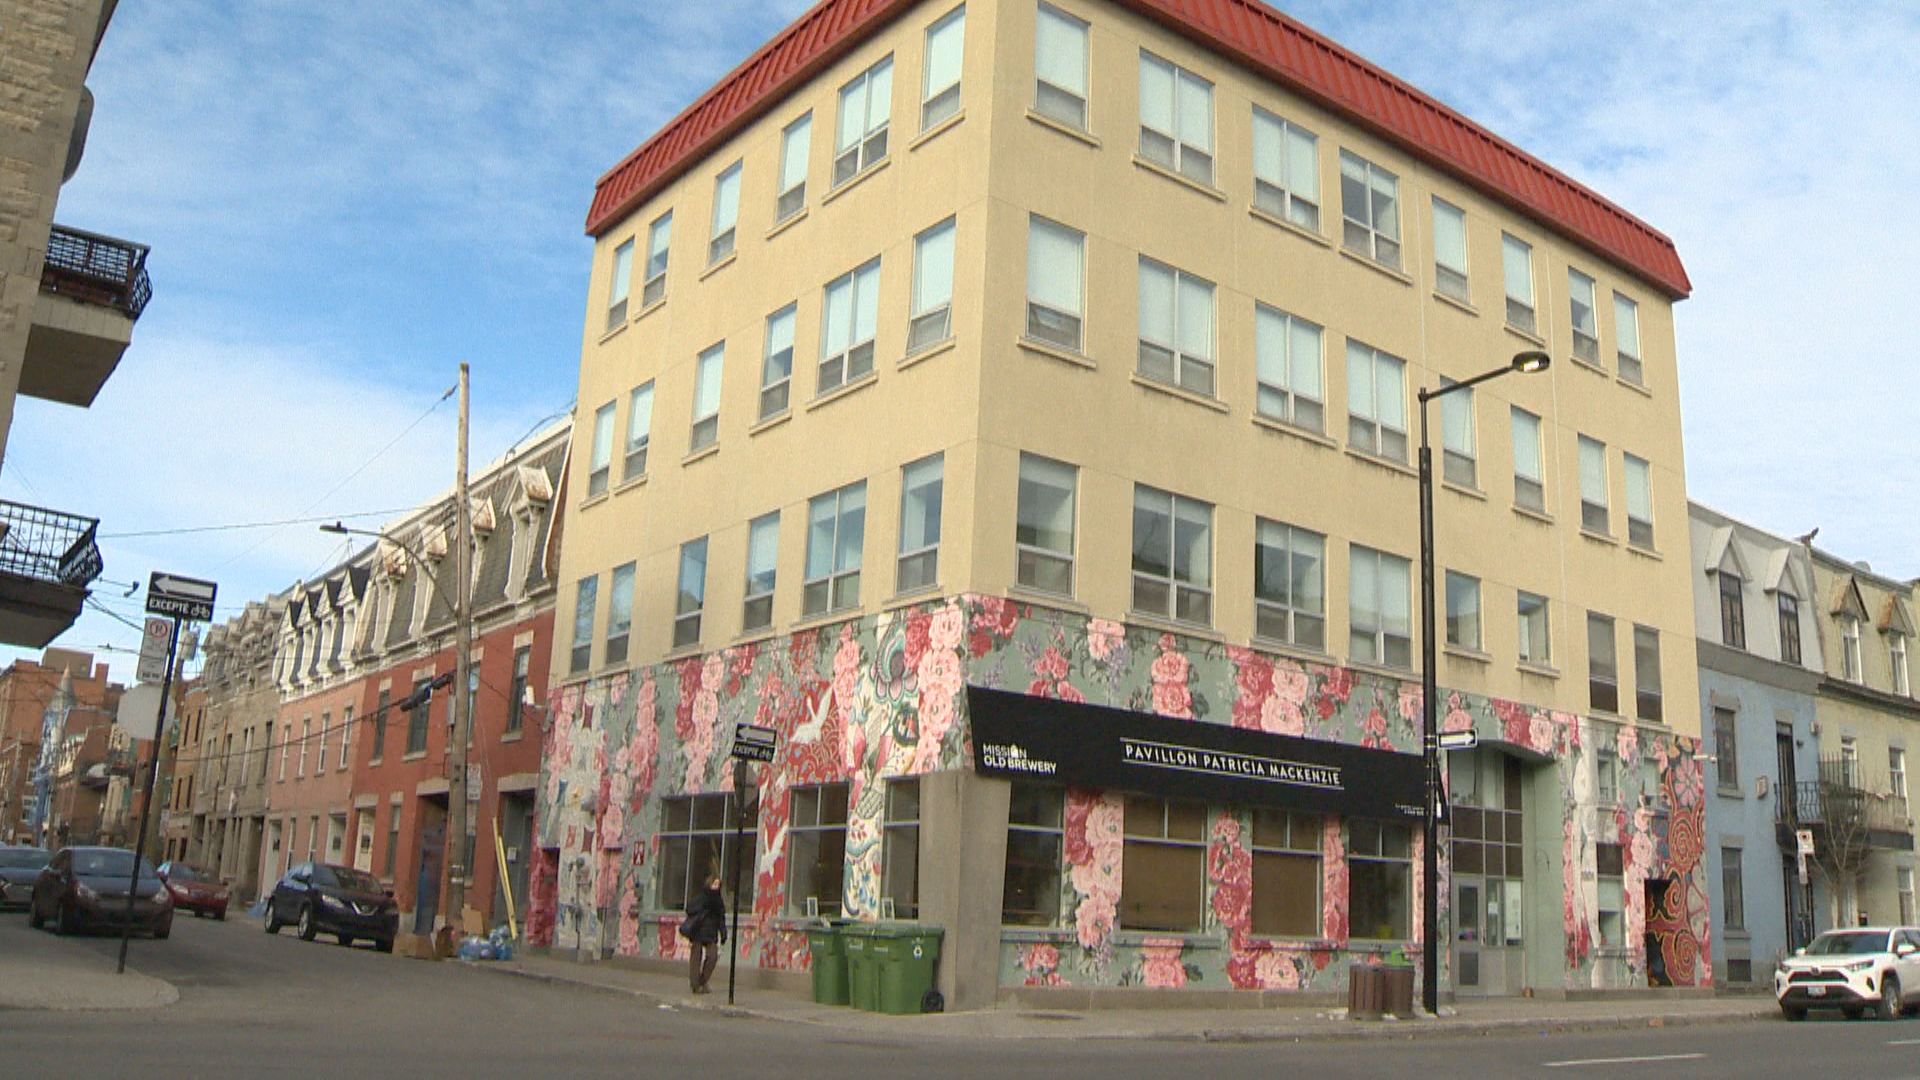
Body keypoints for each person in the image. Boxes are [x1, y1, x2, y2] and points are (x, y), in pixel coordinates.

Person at [683, 874, 727, 994]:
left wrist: (723, 933)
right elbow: (690, 909)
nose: (716, 887)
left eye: (718, 884)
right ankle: (695, 985)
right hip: (698, 931)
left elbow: (721, 918)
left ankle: (702, 981)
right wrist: (703, 908)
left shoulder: (718, 901)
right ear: (709, 884)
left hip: (711, 933)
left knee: (712, 956)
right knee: (696, 958)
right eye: (714, 884)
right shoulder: (702, 897)